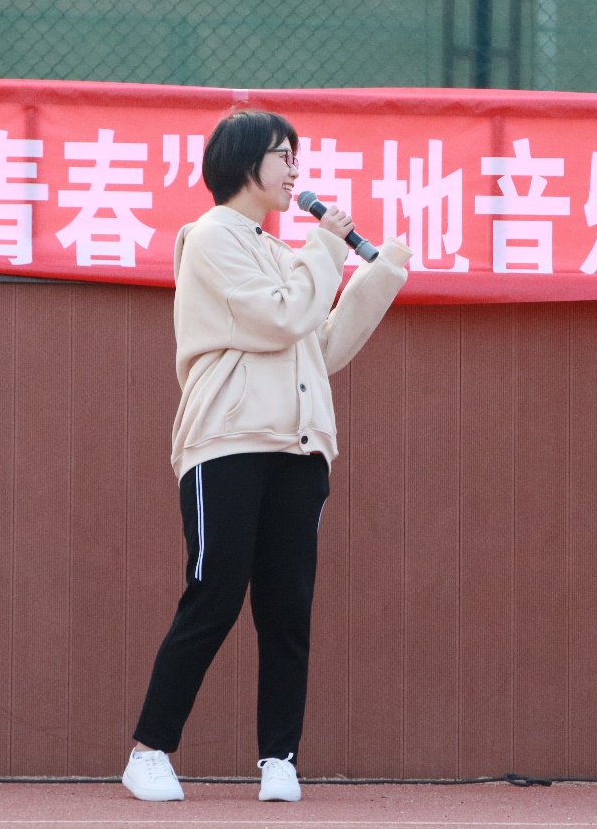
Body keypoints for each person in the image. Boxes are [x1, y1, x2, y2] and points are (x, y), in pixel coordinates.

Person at [121, 109, 412, 802]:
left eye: (294, 157)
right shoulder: (210, 237)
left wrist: (378, 275)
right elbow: (282, 317)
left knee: (287, 607)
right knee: (215, 593)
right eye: (283, 156)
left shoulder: (284, 255)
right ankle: (149, 750)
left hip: (300, 447)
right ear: (244, 163)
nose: (294, 171)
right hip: (227, 441)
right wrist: (328, 246)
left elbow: (320, 345)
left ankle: (279, 757)